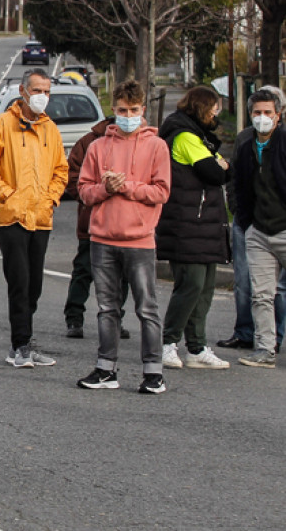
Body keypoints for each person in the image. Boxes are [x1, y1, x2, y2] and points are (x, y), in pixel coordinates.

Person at [77, 80, 171, 394]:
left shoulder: (157, 146)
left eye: (133, 110)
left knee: (147, 308)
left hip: (140, 239)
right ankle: (106, 369)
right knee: (107, 308)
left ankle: (153, 372)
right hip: (103, 238)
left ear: (142, 110)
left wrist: (126, 186)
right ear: (113, 110)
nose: (127, 115)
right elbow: (83, 191)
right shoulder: (98, 146)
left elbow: (161, 191)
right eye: (121, 110)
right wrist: (105, 188)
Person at [0, 68, 68, 368]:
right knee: (19, 282)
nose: (42, 97)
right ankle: (19, 345)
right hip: (11, 217)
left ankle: (25, 339)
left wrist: (51, 198)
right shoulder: (2, 125)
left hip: (41, 217)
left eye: (46, 91)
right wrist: (7, 194)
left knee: (35, 284)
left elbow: (61, 169)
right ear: (22, 91)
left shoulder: (51, 129)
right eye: (36, 90)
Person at [156, 86, 232, 370]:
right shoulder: (186, 136)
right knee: (191, 286)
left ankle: (197, 346)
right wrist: (222, 166)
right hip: (187, 225)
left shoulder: (196, 135)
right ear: (202, 107)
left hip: (203, 224)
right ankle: (168, 342)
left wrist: (223, 166)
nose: (217, 113)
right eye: (214, 107)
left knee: (205, 288)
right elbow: (214, 172)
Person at [217, 85, 286, 354]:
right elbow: (238, 181)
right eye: (257, 112)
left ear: (278, 114)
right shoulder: (246, 143)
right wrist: (241, 215)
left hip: (280, 226)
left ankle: (275, 337)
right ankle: (258, 341)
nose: (262, 116)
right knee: (255, 289)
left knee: (278, 290)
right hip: (255, 226)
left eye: (267, 112)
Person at [62, 116, 133, 340]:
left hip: (125, 223)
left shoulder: (139, 143)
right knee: (84, 270)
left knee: (122, 275)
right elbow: (72, 177)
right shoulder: (89, 143)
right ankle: (74, 318)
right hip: (92, 221)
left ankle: (115, 318)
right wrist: (90, 197)